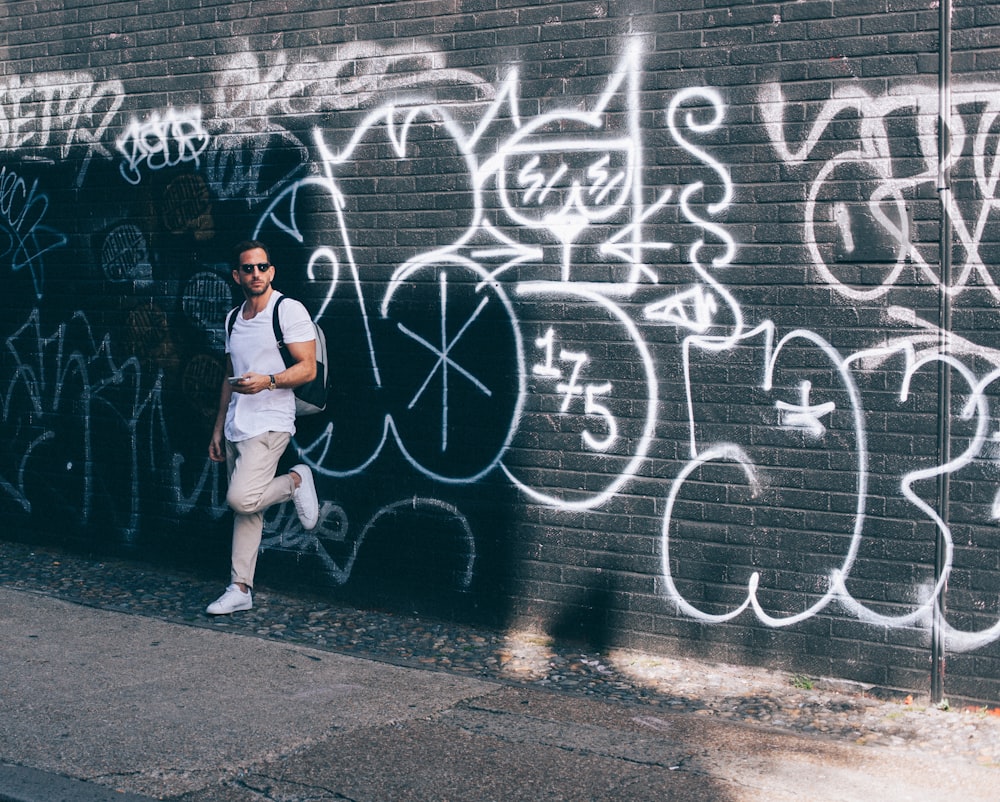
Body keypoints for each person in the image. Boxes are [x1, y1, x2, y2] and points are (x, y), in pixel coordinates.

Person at [205, 239, 320, 615]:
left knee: (241, 497)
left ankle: (296, 482)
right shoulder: (233, 318)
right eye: (248, 268)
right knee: (247, 510)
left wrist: (268, 382)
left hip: (271, 420)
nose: (256, 274)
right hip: (239, 422)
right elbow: (229, 376)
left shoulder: (287, 310)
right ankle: (241, 587)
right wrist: (218, 428)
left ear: (271, 271)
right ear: (237, 275)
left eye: (262, 267)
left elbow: (308, 367)